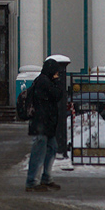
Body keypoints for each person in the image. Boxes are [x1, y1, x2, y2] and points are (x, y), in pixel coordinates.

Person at [25, 57, 63, 191]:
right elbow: (58, 94)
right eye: (56, 71)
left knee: (51, 148)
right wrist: (58, 81)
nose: (57, 74)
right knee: (38, 153)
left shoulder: (44, 80)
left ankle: (46, 178)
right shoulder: (44, 81)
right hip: (41, 125)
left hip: (45, 124)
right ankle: (31, 182)